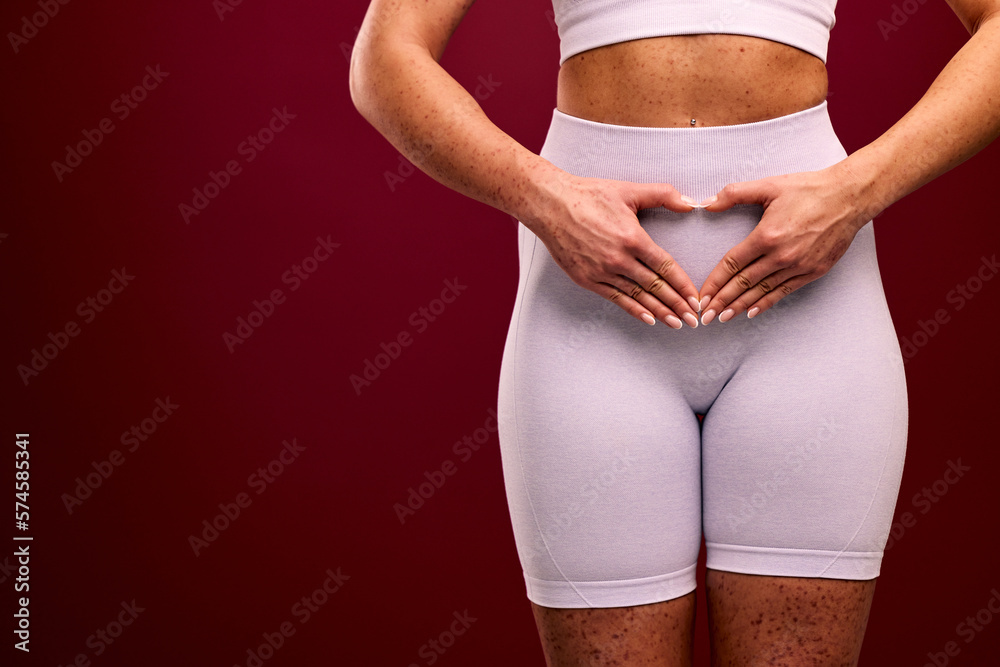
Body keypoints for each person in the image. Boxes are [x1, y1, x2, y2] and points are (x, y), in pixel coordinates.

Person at [349, 0, 1000, 664]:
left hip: (809, 313)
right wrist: (544, 196)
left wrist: (859, 191)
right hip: (591, 320)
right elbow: (384, 57)